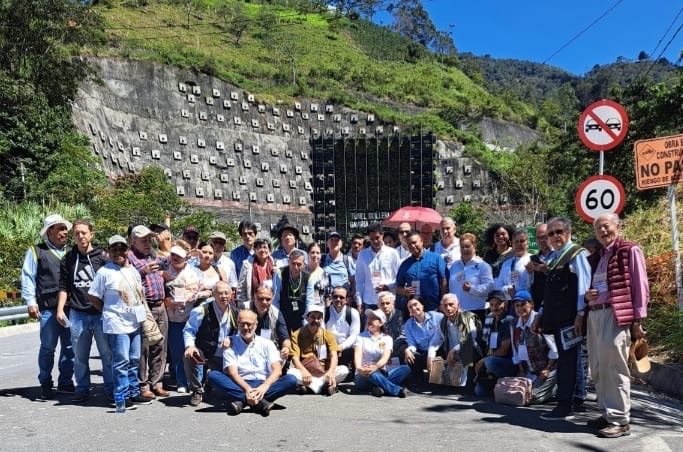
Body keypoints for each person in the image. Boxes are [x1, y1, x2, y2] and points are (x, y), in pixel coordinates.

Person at [584, 214, 649, 438]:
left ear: (617, 226)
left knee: (614, 368)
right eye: (598, 228)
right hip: (595, 314)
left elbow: (640, 286)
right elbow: (595, 286)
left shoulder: (629, 250)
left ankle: (620, 420)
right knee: (598, 367)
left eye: (606, 226)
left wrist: (638, 321)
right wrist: (588, 295)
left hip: (616, 314)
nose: (602, 231)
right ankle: (607, 412)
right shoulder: (597, 257)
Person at [533, 217, 591, 421]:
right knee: (567, 359)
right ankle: (572, 400)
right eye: (551, 233)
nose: (555, 237)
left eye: (559, 232)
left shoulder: (576, 254)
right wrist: (540, 314)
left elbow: (584, 286)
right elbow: (550, 291)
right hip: (556, 316)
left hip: (570, 317)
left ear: (568, 232)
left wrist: (580, 313)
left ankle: (566, 404)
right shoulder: (556, 257)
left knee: (568, 360)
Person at [88, 235, 154, 411]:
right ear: (108, 252)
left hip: (134, 321)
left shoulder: (133, 270)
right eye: (114, 249)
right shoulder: (104, 272)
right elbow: (93, 296)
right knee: (121, 360)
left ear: (127, 251)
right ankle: (121, 395)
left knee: (134, 359)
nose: (118, 253)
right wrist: (107, 311)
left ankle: (133, 391)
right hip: (116, 324)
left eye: (121, 249)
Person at [55, 219, 112, 403]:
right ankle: (82, 388)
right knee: (80, 356)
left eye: (84, 232)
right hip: (78, 313)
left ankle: (110, 388)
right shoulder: (69, 258)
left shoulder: (102, 257)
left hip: (100, 314)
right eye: (77, 233)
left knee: (107, 354)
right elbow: (63, 286)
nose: (81, 236)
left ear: (91, 234)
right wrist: (60, 309)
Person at [22, 214, 75, 399]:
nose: (64, 232)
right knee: (48, 347)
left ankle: (66, 382)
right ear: (50, 231)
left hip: (71, 308)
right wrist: (30, 302)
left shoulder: (72, 251)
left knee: (70, 348)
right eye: (60, 228)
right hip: (48, 308)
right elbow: (28, 277)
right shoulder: (36, 251)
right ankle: (45, 382)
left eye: (65, 228)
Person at [207, 310, 297, 416]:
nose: (245, 327)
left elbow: (277, 370)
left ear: (256, 324)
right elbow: (233, 373)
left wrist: (264, 387)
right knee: (213, 375)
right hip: (240, 383)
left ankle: (242, 401)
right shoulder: (230, 343)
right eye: (242, 324)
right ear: (237, 324)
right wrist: (247, 389)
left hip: (263, 383)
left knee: (291, 379)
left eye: (249, 324)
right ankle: (260, 402)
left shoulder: (267, 344)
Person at [127, 225, 170, 399]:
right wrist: (142, 272)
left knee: (160, 345)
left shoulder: (152, 254)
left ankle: (157, 382)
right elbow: (127, 279)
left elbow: (167, 264)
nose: (147, 243)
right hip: (143, 306)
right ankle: (143, 384)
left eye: (149, 239)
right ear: (133, 241)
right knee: (144, 346)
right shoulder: (129, 257)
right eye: (143, 240)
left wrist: (164, 247)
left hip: (160, 305)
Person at [183, 281, 239, 407]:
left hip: (224, 355)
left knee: (225, 392)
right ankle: (197, 390)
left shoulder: (236, 312)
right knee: (189, 355)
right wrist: (190, 346)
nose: (224, 296)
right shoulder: (202, 310)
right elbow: (189, 330)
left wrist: (232, 339)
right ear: (213, 294)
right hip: (205, 352)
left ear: (231, 294)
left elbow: (240, 335)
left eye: (226, 293)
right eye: (220, 293)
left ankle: (209, 383)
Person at [164, 245, 203, 394]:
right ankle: (182, 382)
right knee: (177, 353)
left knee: (194, 352)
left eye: (179, 256)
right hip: (173, 319)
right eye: (173, 255)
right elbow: (161, 293)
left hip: (190, 318)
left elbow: (205, 290)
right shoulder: (165, 273)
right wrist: (168, 301)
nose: (175, 258)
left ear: (185, 258)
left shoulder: (194, 274)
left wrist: (195, 296)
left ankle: (197, 382)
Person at [288, 305, 350, 395]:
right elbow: (295, 358)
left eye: (319, 318)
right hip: (306, 373)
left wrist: (331, 372)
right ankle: (325, 386)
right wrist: (303, 371)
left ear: (322, 320)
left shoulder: (328, 335)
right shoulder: (297, 335)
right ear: (307, 318)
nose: (316, 320)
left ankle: (311, 387)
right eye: (313, 317)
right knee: (291, 373)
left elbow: (334, 355)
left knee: (344, 370)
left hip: (324, 372)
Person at [510, 291, 558, 405]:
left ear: (531, 304)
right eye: (517, 305)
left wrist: (548, 368)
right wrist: (521, 370)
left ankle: (555, 387)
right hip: (529, 372)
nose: (520, 308)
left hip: (547, 370)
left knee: (532, 398)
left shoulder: (540, 320)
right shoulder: (514, 324)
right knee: (516, 395)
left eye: (523, 304)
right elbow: (514, 350)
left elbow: (555, 349)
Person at [353, 309, 409, 398]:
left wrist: (375, 366)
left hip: (381, 372)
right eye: (369, 318)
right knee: (371, 372)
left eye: (373, 319)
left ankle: (379, 388)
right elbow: (358, 354)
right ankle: (396, 390)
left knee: (405, 368)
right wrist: (359, 368)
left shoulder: (387, 338)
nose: (369, 321)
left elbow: (385, 357)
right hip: (364, 374)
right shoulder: (361, 336)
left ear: (381, 323)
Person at [439, 293, 484, 389]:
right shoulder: (443, 321)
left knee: (465, 349)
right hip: (453, 355)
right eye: (445, 305)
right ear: (441, 308)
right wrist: (430, 356)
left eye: (451, 304)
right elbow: (435, 340)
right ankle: (449, 382)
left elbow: (470, 339)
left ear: (458, 305)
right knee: (436, 353)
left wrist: (454, 350)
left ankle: (464, 384)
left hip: (472, 352)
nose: (448, 308)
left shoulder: (466, 317)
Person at [473, 291, 514, 395]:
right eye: (492, 305)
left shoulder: (508, 320)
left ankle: (503, 384)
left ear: (505, 304)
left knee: (490, 362)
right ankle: (494, 384)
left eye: (498, 304)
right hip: (491, 360)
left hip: (507, 362)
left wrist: (483, 361)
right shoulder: (489, 319)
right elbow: (483, 342)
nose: (495, 307)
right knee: (479, 392)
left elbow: (504, 351)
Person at [396, 232, 447, 312]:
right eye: (409, 244)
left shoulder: (436, 258)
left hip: (434, 307)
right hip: (415, 310)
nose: (412, 246)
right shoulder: (405, 264)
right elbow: (398, 287)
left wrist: (443, 302)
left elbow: (443, 281)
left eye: (414, 242)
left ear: (422, 241)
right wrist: (404, 291)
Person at [448, 233, 494, 323]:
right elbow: (451, 289)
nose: (465, 249)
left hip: (476, 312)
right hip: (457, 312)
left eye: (467, 246)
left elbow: (490, 286)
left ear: (474, 246)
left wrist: (471, 289)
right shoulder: (454, 266)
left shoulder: (483, 266)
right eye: (462, 247)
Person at [355, 223, 400, 311]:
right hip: (369, 301)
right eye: (372, 239)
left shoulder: (392, 253)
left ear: (382, 235)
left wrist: (388, 286)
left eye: (377, 238)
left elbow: (398, 277)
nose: (375, 241)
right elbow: (359, 280)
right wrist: (359, 301)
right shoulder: (362, 255)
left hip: (388, 300)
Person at [402, 297, 443, 382]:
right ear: (409, 311)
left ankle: (437, 382)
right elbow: (412, 344)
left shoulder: (436, 316)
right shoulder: (408, 324)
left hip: (438, 350)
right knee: (410, 355)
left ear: (422, 305)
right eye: (410, 307)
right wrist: (408, 350)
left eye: (415, 304)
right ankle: (418, 381)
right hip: (423, 352)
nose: (413, 308)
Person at [236, 238, 281, 310]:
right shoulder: (247, 265)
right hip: (253, 305)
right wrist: (242, 306)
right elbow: (241, 288)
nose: (262, 250)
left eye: (265, 247)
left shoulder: (276, 264)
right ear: (254, 250)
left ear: (270, 250)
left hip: (271, 305)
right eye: (259, 247)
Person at [251, 285, 291, 361]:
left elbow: (285, 338)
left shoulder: (276, 313)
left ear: (272, 299)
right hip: (247, 350)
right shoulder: (244, 309)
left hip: (268, 352)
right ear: (254, 297)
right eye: (260, 299)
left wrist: (286, 348)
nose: (264, 302)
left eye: (268, 299)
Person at [278, 249, 314, 334]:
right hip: (283, 314)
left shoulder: (308, 277)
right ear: (288, 262)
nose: (295, 267)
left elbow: (309, 301)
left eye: (299, 264)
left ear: (304, 265)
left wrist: (307, 321)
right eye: (293, 263)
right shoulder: (280, 273)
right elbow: (276, 299)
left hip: (300, 315)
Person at [325, 286, 361, 368]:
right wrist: (333, 348)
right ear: (331, 297)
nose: (338, 299)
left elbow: (354, 336)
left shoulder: (353, 313)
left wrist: (341, 347)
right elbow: (322, 333)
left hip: (346, 349)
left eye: (341, 297)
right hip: (329, 348)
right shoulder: (325, 312)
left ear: (346, 300)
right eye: (335, 297)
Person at [495, 229, 532, 303]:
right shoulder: (506, 264)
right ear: (512, 244)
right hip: (509, 303)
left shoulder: (532, 260)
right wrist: (507, 289)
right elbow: (498, 285)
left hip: (526, 303)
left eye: (522, 241)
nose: (519, 244)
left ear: (527, 243)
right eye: (516, 242)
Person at [321, 231, 356, 302]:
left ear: (341, 244)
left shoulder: (347, 260)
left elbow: (354, 280)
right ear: (327, 243)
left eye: (337, 240)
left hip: (343, 300)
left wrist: (351, 296)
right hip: (327, 300)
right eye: (332, 240)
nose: (334, 242)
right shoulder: (322, 259)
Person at [527, 223, 552, 311]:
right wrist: (529, 274)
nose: (542, 240)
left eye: (544, 237)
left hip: (556, 304)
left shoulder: (559, 255)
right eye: (538, 238)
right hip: (539, 306)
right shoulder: (533, 259)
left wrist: (546, 270)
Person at [377, 291, 406, 359]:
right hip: (380, 348)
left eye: (387, 303)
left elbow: (403, 334)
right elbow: (371, 335)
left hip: (396, 347)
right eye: (382, 304)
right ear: (378, 305)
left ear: (393, 304)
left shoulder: (398, 314)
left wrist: (391, 347)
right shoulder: (374, 316)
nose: (385, 306)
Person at [306, 242, 327, 311]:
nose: (315, 255)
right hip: (303, 312)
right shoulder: (301, 272)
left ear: (321, 255)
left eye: (318, 253)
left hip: (319, 312)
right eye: (312, 252)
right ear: (308, 254)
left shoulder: (324, 274)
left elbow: (326, 296)